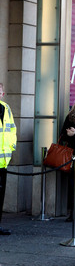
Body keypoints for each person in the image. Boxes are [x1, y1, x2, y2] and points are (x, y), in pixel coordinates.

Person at [0, 83, 17, 235]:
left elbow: (12, 129)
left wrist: (12, 147)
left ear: (3, 94)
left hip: (3, 162)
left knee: (0, 196)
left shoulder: (6, 108)